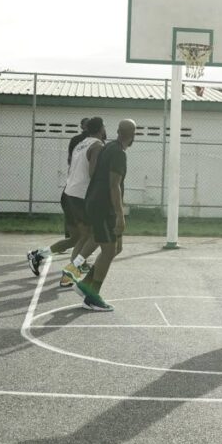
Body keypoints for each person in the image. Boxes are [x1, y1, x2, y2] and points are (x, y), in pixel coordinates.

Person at [27, 117, 106, 284]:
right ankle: (70, 274)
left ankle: (38, 255)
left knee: (76, 238)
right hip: (80, 196)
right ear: (101, 129)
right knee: (91, 235)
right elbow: (93, 173)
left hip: (68, 193)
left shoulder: (81, 144)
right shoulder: (98, 146)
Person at [69, 119, 137, 312]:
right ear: (133, 135)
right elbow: (114, 185)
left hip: (96, 203)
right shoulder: (118, 154)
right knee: (108, 251)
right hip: (102, 207)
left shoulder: (110, 147)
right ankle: (92, 297)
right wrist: (120, 215)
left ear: (118, 131)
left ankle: (85, 284)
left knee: (116, 248)